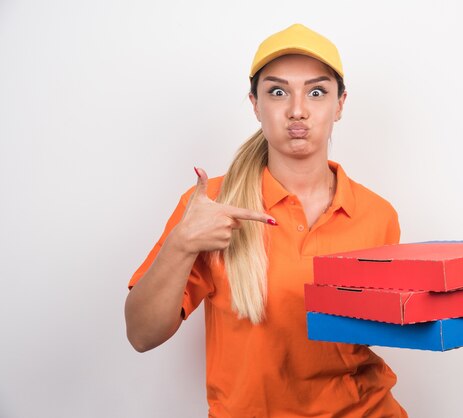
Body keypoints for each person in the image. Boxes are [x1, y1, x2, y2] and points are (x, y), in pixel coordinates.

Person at [125, 23, 407, 417]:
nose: (297, 110)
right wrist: (182, 243)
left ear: (340, 104)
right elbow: (141, 335)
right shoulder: (210, 207)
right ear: (256, 105)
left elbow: (384, 327)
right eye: (277, 92)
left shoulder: (378, 215)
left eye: (316, 91)